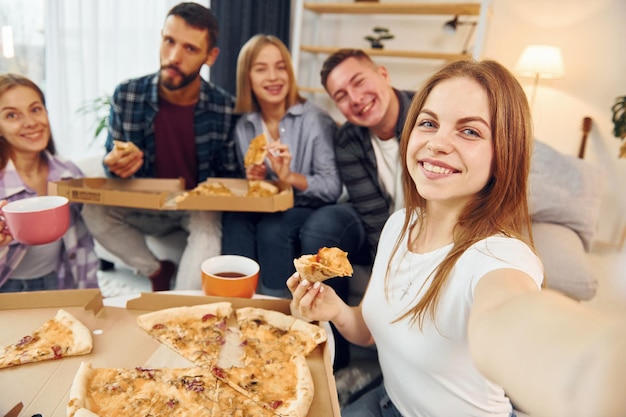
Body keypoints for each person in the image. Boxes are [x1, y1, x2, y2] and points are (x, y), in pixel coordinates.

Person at [288, 59, 626, 416]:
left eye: (470, 132)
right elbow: (371, 332)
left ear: (503, 155)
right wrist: (337, 311)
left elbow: (508, 316)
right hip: (389, 401)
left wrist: (594, 370)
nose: (437, 143)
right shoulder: (398, 225)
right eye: (429, 123)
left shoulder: (500, 257)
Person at [82, 2, 242, 292]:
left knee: (208, 226)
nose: (173, 57)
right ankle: (156, 270)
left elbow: (228, 177)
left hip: (193, 207)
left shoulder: (225, 108)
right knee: (93, 212)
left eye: (190, 49)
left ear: (210, 56)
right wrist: (114, 164)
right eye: (169, 41)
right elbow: (113, 165)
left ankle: (179, 309)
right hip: (143, 203)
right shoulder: (128, 95)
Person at [298, 48, 415, 370]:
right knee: (320, 227)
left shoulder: (427, 118)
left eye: (359, 82)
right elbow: (376, 216)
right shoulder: (349, 139)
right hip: (380, 224)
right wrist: (384, 272)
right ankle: (334, 355)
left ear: (383, 73)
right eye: (341, 96)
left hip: (426, 222)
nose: (356, 98)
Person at [221, 34, 341, 298]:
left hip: (308, 207)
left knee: (273, 228)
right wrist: (257, 177)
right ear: (247, 78)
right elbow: (260, 187)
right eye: (261, 69)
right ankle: (236, 301)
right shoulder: (245, 126)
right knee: (234, 221)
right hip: (270, 205)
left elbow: (332, 187)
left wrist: (289, 177)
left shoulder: (315, 120)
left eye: (280, 67)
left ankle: (276, 307)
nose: (273, 77)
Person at [0, 73, 99, 293]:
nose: (31, 122)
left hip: (58, 281)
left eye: (36, 109)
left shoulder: (68, 173)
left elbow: (83, 243)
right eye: (12, 115)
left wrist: (90, 296)